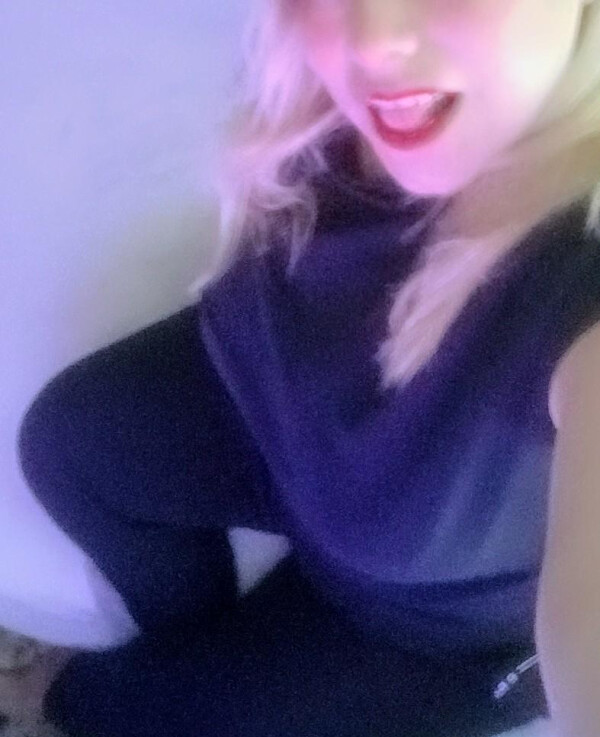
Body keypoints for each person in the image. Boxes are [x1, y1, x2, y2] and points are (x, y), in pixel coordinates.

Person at [11, 0, 600, 735]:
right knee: (69, 448)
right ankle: (193, 656)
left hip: (425, 628)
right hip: (280, 412)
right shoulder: (307, 75)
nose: (372, 43)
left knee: (107, 708)